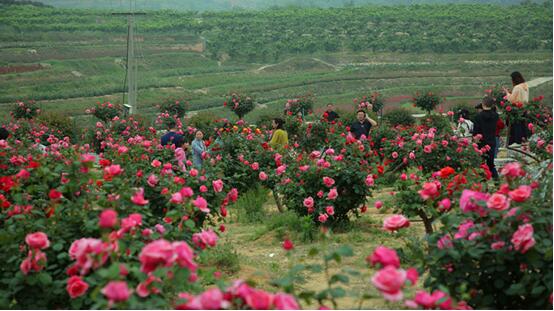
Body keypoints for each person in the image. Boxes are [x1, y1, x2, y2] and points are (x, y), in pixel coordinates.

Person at [473, 96, 499, 179]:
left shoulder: (478, 116)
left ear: (483, 104)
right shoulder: (495, 116)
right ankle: (497, 183)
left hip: (481, 143)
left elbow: (476, 132)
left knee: (481, 164)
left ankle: (482, 183)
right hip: (492, 142)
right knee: (491, 164)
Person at [503, 71, 529, 145]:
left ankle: (516, 142)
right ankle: (523, 140)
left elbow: (512, 100)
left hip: (516, 110)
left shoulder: (517, 87)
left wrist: (507, 93)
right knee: (522, 126)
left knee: (516, 127)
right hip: (524, 109)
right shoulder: (525, 86)